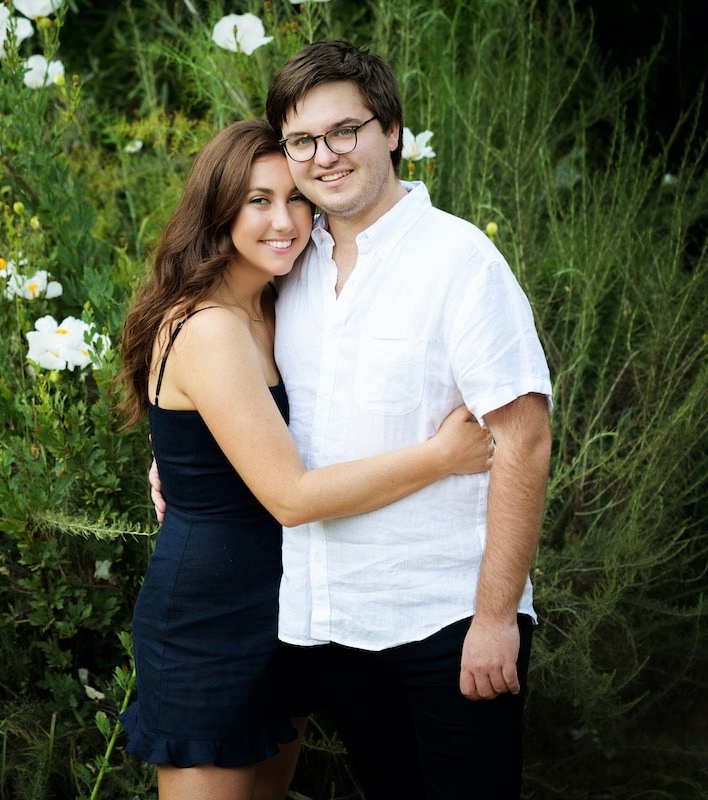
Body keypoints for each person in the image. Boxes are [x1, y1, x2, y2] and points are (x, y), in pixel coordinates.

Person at [117, 118, 497, 800]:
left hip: (287, 614)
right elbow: (289, 494)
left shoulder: (282, 300)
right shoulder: (207, 326)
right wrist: (442, 455)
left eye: (295, 198)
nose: (284, 220)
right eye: (257, 201)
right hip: (210, 615)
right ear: (218, 209)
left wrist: (173, 459)